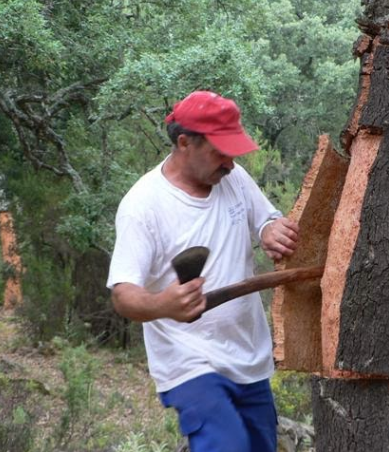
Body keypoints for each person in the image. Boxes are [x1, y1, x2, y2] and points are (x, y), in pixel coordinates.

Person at [106, 91, 299, 452]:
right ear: (184, 143)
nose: (229, 163)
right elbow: (123, 294)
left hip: (250, 357)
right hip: (189, 361)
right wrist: (163, 304)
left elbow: (266, 218)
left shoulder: (234, 178)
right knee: (226, 444)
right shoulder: (143, 206)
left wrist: (271, 228)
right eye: (219, 152)